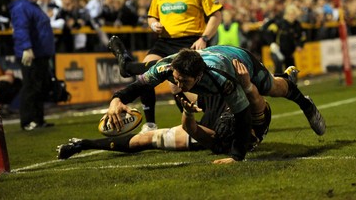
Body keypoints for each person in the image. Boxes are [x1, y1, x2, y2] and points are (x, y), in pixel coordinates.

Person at [97, 45, 326, 162]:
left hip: (239, 60)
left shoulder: (222, 79)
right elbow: (140, 86)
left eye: (183, 80)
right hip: (209, 62)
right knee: (153, 78)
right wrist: (116, 99)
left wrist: (237, 156)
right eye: (175, 77)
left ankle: (305, 103)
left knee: (271, 88)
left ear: (198, 77)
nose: (176, 82)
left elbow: (243, 114)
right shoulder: (167, 67)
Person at [57, 61, 272, 164]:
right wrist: (247, 85)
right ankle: (131, 65)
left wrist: (187, 113)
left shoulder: (216, 139)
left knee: (148, 139)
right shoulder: (257, 117)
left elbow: (192, 128)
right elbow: (255, 97)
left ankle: (83, 144)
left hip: (208, 115)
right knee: (175, 81)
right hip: (220, 97)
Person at [109, 0, 222, 133]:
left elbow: (216, 15)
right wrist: (153, 24)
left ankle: (128, 66)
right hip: (164, 42)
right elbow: (151, 16)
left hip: (189, 42)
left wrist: (204, 38)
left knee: (174, 82)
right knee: (145, 74)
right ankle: (151, 123)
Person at [9, 0, 55, 131]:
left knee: (39, 87)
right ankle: (27, 121)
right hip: (31, 54)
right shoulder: (22, 6)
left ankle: (38, 119)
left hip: (41, 54)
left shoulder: (32, 6)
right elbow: (21, 28)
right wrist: (26, 48)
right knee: (30, 86)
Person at [262, 4, 305, 74]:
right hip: (277, 51)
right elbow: (267, 32)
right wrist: (271, 43)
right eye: (290, 14)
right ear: (287, 14)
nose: (292, 16)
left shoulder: (297, 25)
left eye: (294, 14)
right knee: (279, 69)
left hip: (289, 53)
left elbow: (301, 37)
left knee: (293, 73)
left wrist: (300, 45)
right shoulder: (280, 23)